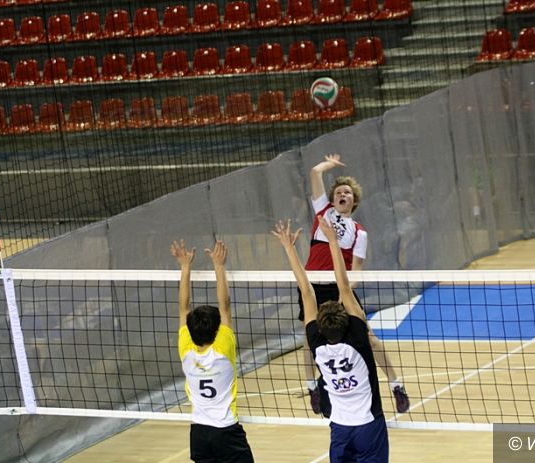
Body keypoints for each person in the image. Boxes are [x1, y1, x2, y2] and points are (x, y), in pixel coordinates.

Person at [297, 153, 409, 414]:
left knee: (368, 337)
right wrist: (329, 165)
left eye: (347, 192)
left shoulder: (359, 232)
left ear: (353, 200)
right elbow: (315, 173)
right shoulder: (323, 212)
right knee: (309, 338)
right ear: (332, 199)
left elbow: (356, 270)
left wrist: (344, 294)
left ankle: (396, 385)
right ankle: (313, 387)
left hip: (340, 288)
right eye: (338, 192)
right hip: (312, 286)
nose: (342, 194)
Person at [273, 218, 389, 463]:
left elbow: (307, 291)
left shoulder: (316, 343)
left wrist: (289, 248)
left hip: (340, 429)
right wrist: (334, 242)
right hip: (369, 425)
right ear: (347, 320)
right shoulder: (358, 337)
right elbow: (344, 287)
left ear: (319, 326)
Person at [171, 239, 254, 463]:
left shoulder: (186, 350)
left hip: (199, 433)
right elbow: (224, 306)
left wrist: (185, 267)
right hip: (226, 432)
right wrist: (219, 265)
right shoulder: (223, 349)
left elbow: (183, 308)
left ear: (190, 329)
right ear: (218, 330)